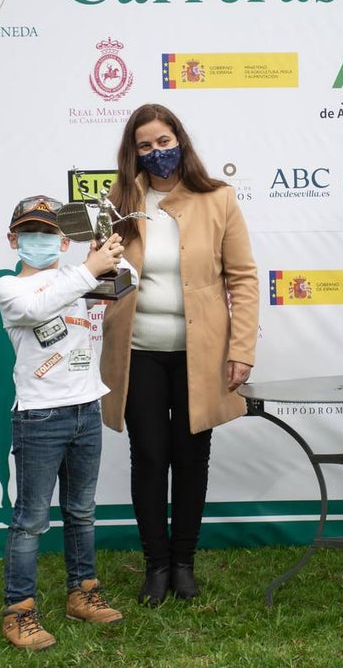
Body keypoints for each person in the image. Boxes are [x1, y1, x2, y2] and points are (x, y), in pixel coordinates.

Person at [99, 104, 259, 605]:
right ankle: (156, 565)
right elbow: (101, 275)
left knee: (192, 459)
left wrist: (242, 350)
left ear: (180, 142)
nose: (156, 153)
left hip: (202, 353)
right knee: (149, 457)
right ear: (133, 153)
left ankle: (184, 563)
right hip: (138, 352)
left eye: (163, 141)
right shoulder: (118, 200)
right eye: (144, 145)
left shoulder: (219, 199)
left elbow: (244, 278)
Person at [0, 195, 133, 650]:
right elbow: (39, 309)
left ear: (65, 239)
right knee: (31, 520)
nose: (39, 240)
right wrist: (90, 267)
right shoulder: (9, 289)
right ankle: (19, 611)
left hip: (86, 409)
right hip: (39, 416)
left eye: (49, 232)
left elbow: (127, 282)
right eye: (30, 232)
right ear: (13, 240)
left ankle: (83, 594)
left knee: (82, 512)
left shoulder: (81, 276)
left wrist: (108, 250)